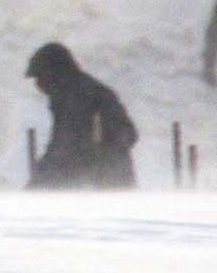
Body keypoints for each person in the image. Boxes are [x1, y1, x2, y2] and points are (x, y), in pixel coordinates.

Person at [24, 42, 138, 189]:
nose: (39, 85)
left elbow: (65, 147)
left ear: (53, 73)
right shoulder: (84, 90)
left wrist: (37, 183)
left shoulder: (76, 97)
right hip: (109, 181)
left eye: (40, 77)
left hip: (98, 187)